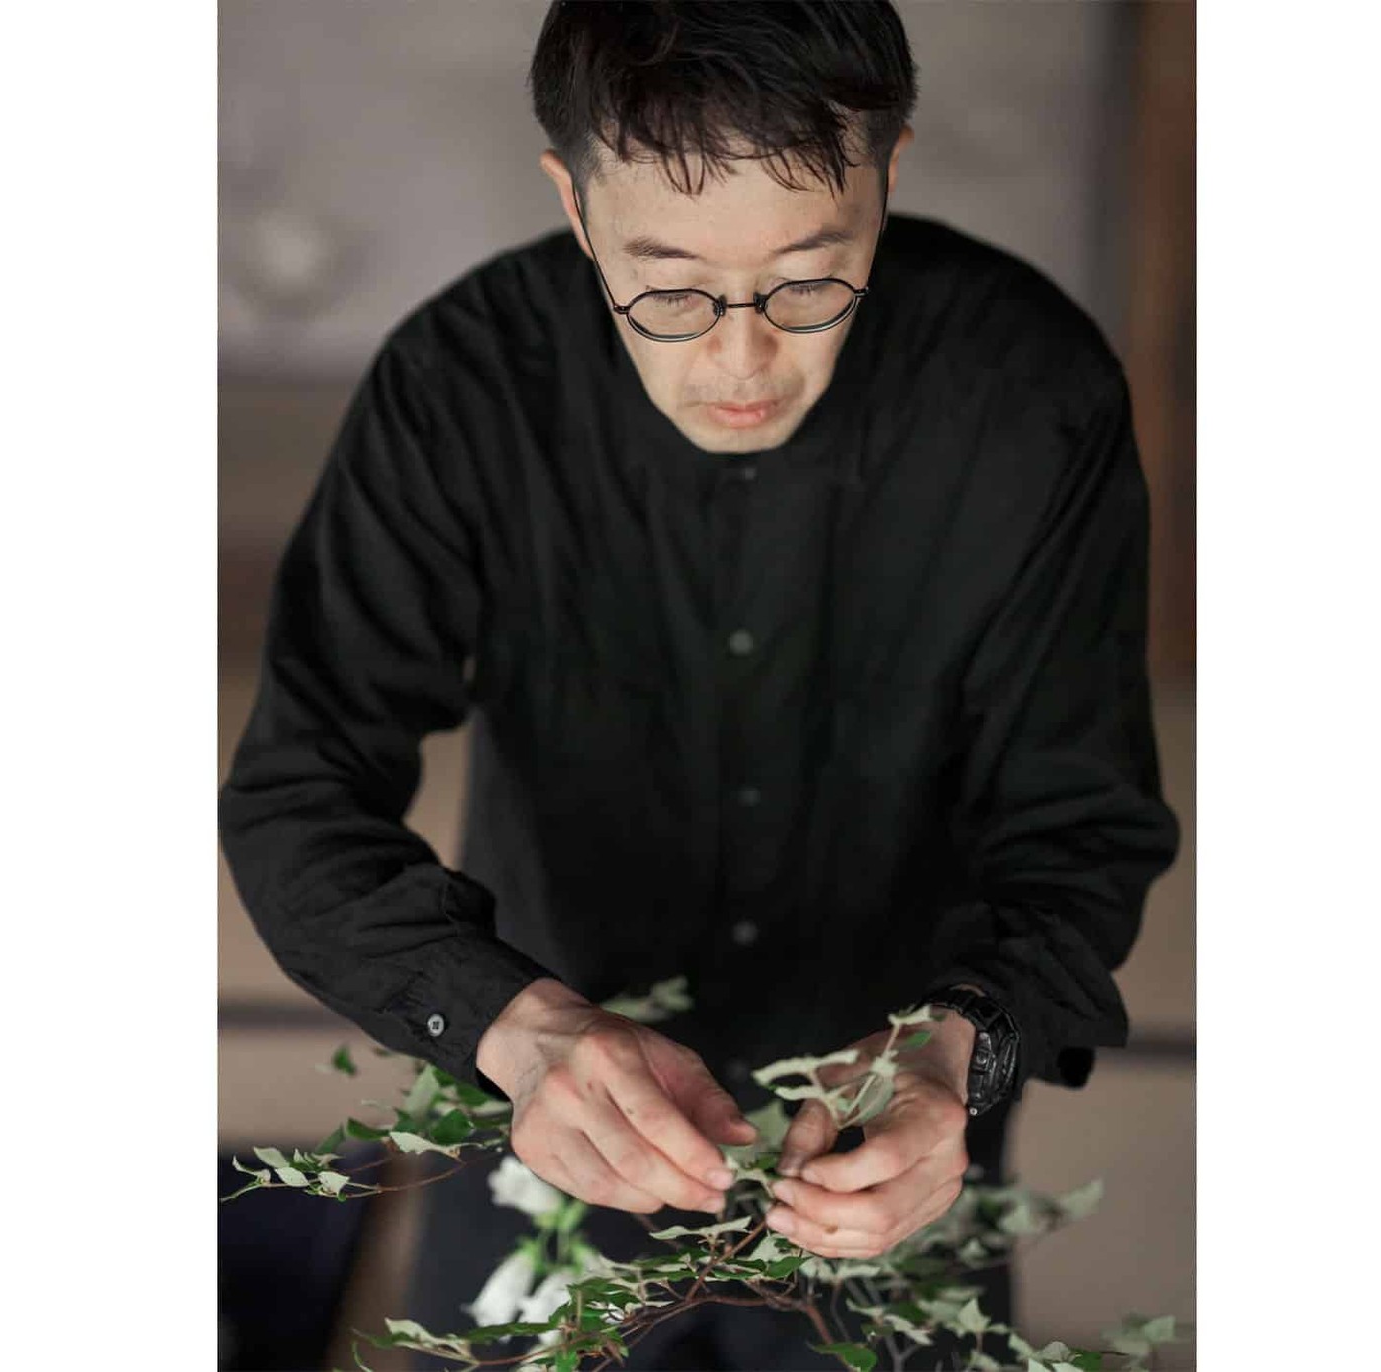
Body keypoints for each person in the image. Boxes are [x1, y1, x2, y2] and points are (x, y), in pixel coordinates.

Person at [217, 2, 1180, 1367]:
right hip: (548, 1117)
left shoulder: (1029, 391)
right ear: (575, 204)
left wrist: (958, 1052)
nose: (740, 359)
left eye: (809, 280)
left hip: (892, 1141)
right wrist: (511, 1028)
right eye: (667, 289)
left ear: (887, 179)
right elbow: (299, 796)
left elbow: (1080, 823)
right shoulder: (463, 382)